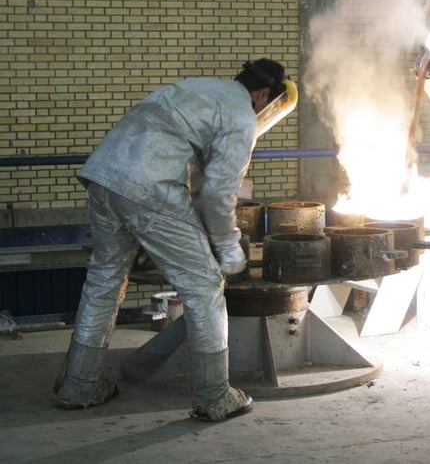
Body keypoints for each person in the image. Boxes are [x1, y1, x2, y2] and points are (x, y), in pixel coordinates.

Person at [54, 59, 294, 421]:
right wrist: (229, 249)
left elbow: (192, 169)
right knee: (205, 284)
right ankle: (215, 397)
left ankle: (79, 385)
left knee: (105, 280)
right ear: (262, 95)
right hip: (149, 187)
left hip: (104, 177)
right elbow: (218, 192)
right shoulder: (241, 115)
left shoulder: (200, 89)